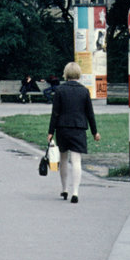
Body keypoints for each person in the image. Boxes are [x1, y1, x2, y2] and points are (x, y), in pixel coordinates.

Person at [47, 61, 100, 203]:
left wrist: (50, 132)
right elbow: (90, 114)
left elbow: (55, 113)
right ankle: (75, 192)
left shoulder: (59, 90)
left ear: (66, 74)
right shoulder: (84, 91)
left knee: (63, 159)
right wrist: (95, 132)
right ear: (78, 74)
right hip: (78, 129)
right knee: (76, 160)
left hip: (62, 128)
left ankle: (64, 189)